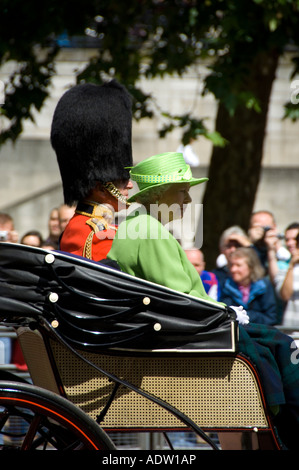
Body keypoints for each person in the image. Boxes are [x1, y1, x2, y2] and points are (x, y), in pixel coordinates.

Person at [107, 151, 299, 449]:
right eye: (182, 191)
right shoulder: (150, 231)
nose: (187, 200)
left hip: (180, 330)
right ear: (158, 195)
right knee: (282, 346)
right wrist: (227, 312)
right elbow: (182, 298)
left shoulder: (137, 225)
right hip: (191, 336)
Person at [50, 80, 133, 261]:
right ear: (101, 187)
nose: (131, 185)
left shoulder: (78, 226)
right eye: (122, 180)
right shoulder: (100, 235)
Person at [219, 247, 278, 325]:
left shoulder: (263, 286)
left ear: (251, 267)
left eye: (238, 265)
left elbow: (271, 318)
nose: (233, 269)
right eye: (231, 265)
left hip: (259, 333)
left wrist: (246, 315)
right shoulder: (226, 286)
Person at [273, 224, 299, 328]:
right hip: (293, 333)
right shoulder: (285, 269)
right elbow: (285, 295)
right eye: (287, 239)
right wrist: (292, 265)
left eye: (294, 239)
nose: (291, 243)